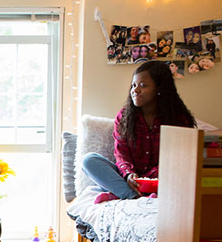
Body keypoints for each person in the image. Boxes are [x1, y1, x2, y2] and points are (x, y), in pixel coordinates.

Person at [82, 61, 195, 204]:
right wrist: (129, 174)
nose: (135, 90)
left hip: (162, 180)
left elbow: (177, 159)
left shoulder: (178, 120)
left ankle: (123, 193)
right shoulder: (124, 117)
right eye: (134, 85)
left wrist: (148, 180)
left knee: (183, 171)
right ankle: (134, 197)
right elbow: (121, 153)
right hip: (129, 178)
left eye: (143, 85)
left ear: (159, 88)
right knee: (89, 160)